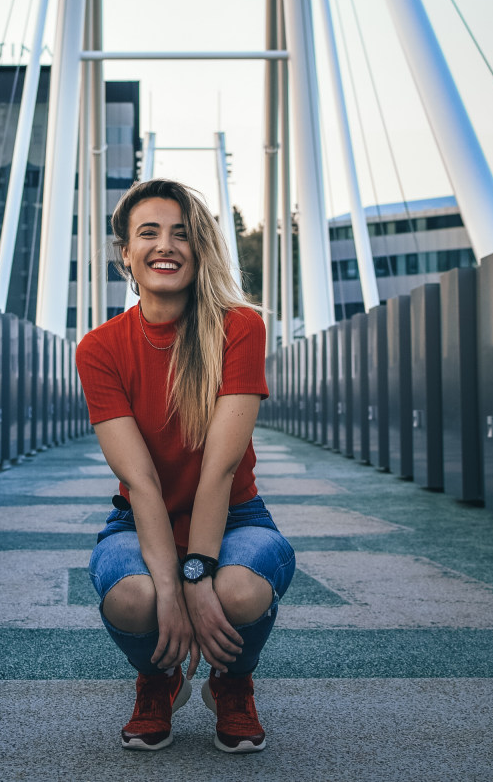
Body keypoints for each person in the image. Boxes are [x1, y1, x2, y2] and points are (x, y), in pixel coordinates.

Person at [76, 178, 295, 753]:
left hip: (237, 517)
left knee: (239, 590)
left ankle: (232, 681)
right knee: (134, 598)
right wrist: (171, 590)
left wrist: (196, 577)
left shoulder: (238, 327)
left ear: (200, 251)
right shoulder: (98, 349)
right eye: (148, 233)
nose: (164, 245)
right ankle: (158, 677)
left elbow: (220, 470)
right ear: (126, 253)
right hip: (140, 518)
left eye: (181, 234)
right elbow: (141, 480)